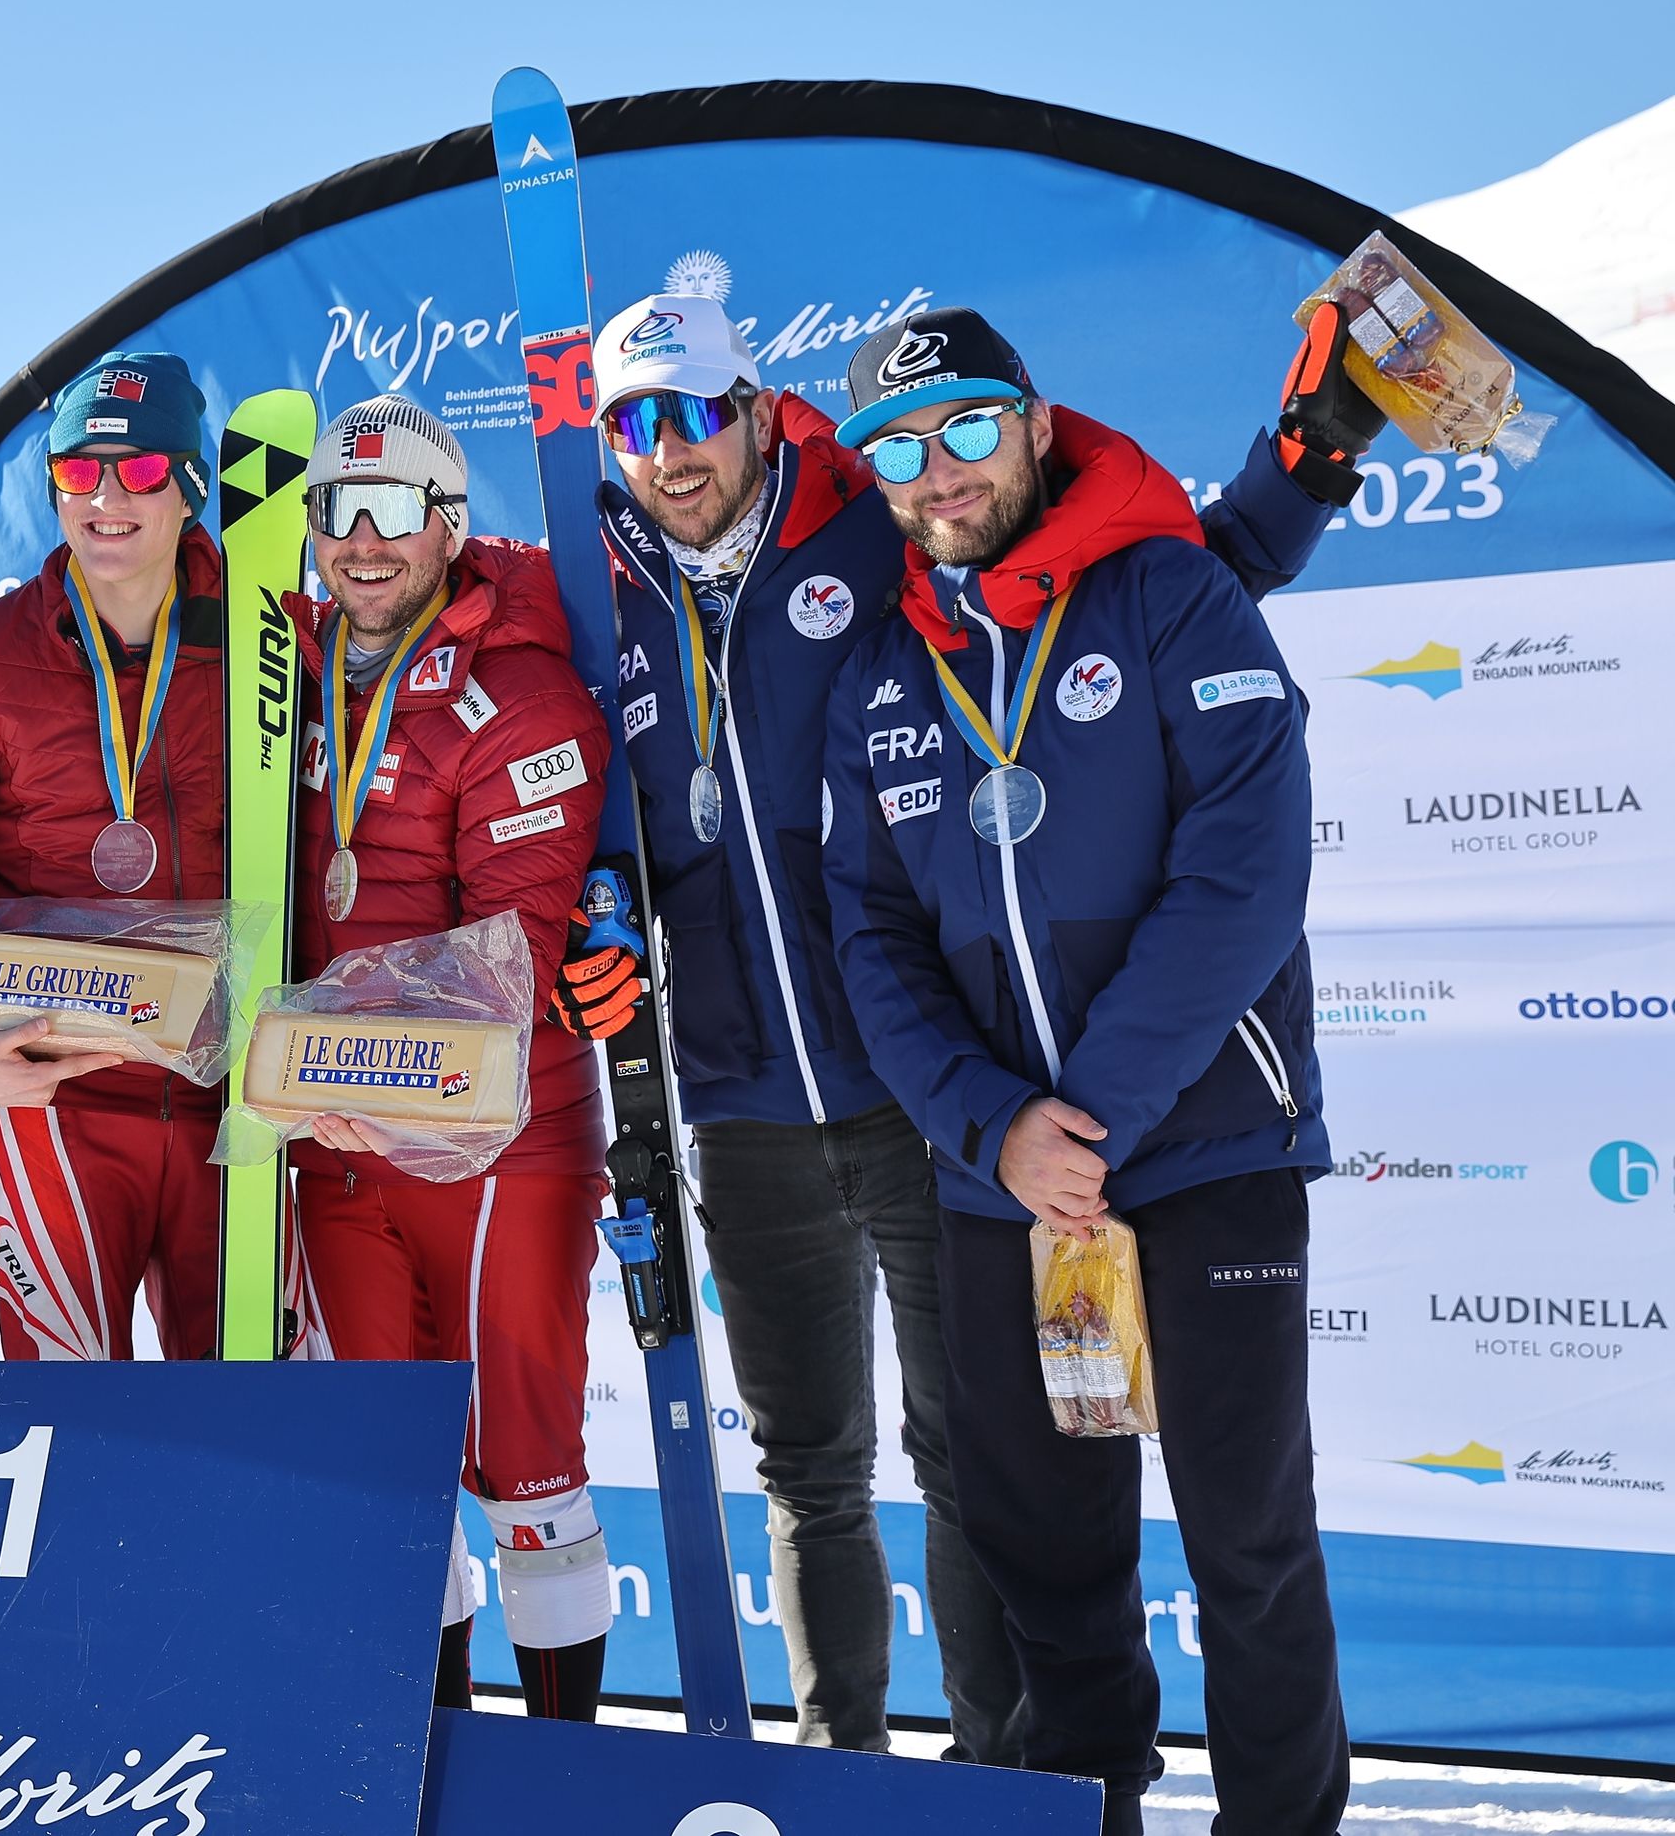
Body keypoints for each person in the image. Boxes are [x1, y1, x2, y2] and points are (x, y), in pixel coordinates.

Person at [574, 292, 1377, 1755]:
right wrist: (598, 908)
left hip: (1060, 1119)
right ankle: (951, 1787)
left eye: (693, 412)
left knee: (1157, 1522)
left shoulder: (1018, 559)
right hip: (861, 1123)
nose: (937, 468)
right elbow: (819, 898)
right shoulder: (671, 606)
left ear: (756, 410)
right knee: (934, 1514)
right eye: (633, 425)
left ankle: (1139, 1795)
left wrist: (1305, 467)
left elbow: (1227, 807)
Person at [819, 308, 1347, 1834]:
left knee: (1249, 1542)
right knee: (1050, 1557)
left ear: (1038, 426)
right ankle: (1082, 1817)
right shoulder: (884, 677)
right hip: (1005, 1193)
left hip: (1208, 1156)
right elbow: (871, 939)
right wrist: (995, 1130)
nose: (939, 471)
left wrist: (1089, 1117)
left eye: (968, 428)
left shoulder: (1174, 594)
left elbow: (1243, 881)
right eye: (902, 450)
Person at [279, 395, 618, 1719]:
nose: (361, 542)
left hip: (496, 1138)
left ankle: (562, 1766)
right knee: (385, 1473)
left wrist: (311, 1044)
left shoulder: (519, 685)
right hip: (334, 1140)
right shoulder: (286, 670)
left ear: (447, 524)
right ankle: (427, 1762)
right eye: (336, 511)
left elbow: (511, 955)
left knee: (525, 1461)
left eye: (392, 511)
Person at [0, 351, 228, 1362]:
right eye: (78, 470)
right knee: (70, 1422)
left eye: (141, 472)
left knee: (246, 1431)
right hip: (49, 1105)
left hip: (228, 1107)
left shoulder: (268, 640)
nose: (106, 498)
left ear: (190, 483)